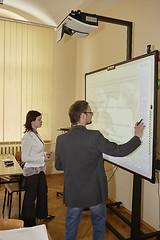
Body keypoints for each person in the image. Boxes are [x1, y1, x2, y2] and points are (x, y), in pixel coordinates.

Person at [55, 100, 145, 240]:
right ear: (83, 115)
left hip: (73, 192)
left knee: (71, 228)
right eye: (90, 112)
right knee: (98, 226)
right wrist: (137, 136)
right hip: (95, 192)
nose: (92, 114)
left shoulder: (61, 139)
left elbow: (58, 166)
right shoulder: (94, 136)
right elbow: (119, 150)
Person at [21, 110, 54, 227]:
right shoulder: (27, 137)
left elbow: (36, 151)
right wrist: (42, 159)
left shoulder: (36, 134)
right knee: (30, 198)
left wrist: (44, 154)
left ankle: (42, 215)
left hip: (39, 169)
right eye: (39, 119)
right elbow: (25, 157)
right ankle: (28, 222)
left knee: (43, 192)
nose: (41, 121)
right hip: (32, 171)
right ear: (32, 121)